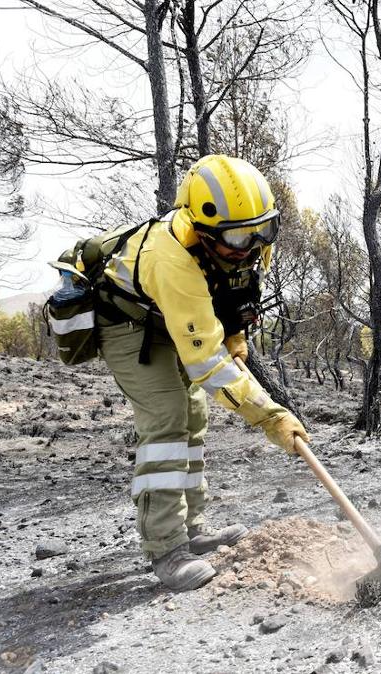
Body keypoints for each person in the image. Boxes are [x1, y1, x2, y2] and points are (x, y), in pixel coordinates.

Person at [63, 155, 309, 591]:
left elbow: (230, 292)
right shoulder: (170, 257)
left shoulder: (243, 243)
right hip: (128, 325)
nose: (250, 245)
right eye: (237, 235)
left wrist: (234, 333)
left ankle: (192, 529)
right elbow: (207, 364)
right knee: (168, 420)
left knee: (195, 418)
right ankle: (166, 548)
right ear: (203, 228)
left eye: (262, 231)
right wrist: (271, 417)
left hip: (174, 319)